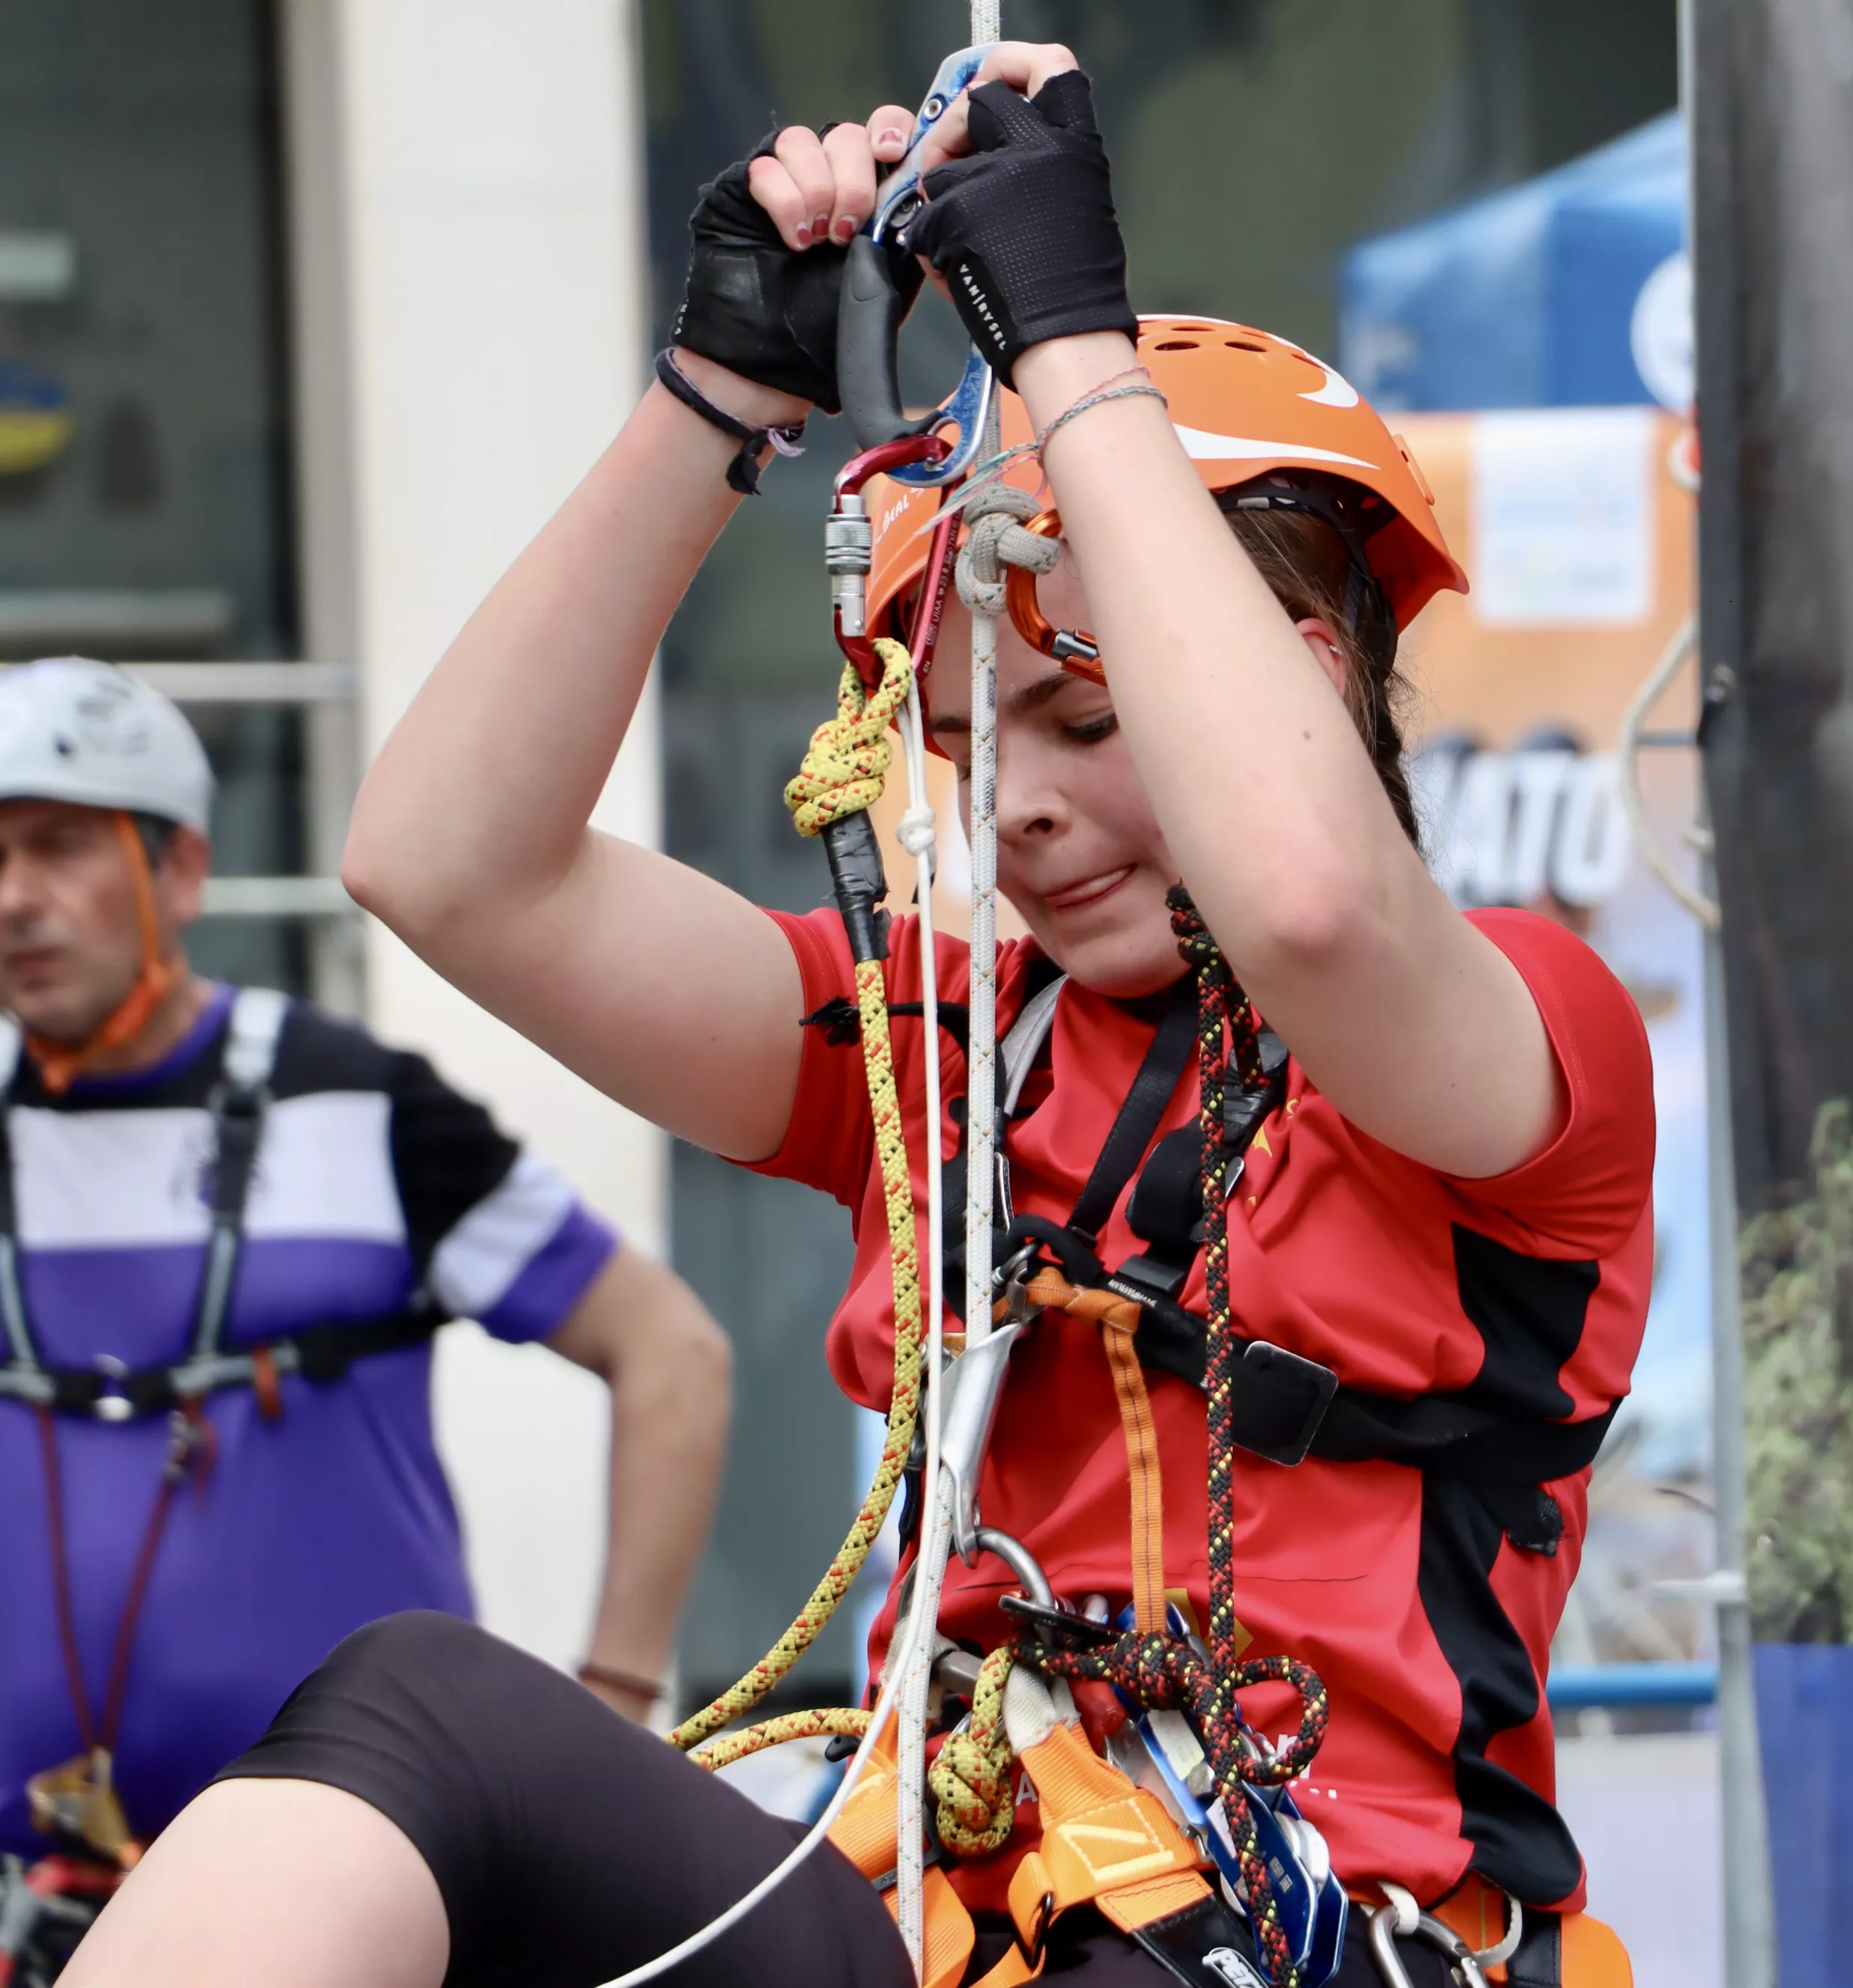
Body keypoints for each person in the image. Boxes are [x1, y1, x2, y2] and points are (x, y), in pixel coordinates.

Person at [65, 37, 1650, 1988]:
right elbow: (449, 864)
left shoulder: (1524, 1038)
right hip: (931, 1915)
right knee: (417, 1713)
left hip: (1314, 1942)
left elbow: (1314, 907)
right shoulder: (927, 1054)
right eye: (975, 747)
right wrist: (717, 395)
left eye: (1085, 723)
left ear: (1310, 672)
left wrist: (1069, 353)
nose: (1024, 808)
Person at [0, 659, 734, 1914]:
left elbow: (672, 1354)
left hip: (345, 1884)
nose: (15, 900)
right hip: (33, 1887)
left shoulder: (354, 1102)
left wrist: (613, 1702)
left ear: (181, 870)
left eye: (62, 846)